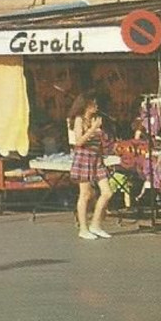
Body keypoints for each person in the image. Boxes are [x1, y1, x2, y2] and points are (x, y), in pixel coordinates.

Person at [69, 95, 115, 241]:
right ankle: (83, 228)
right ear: (86, 106)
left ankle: (96, 224)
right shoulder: (79, 120)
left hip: (97, 158)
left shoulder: (96, 119)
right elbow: (78, 141)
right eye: (93, 104)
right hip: (84, 158)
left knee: (107, 192)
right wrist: (93, 129)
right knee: (85, 194)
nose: (96, 106)